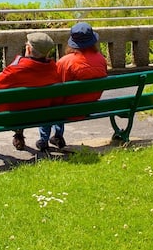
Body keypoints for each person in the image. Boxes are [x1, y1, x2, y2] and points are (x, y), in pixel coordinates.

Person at [0, 32, 61, 155]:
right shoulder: (53, 70)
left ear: (29, 49)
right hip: (36, 114)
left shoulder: (16, 70)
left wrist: (14, 65)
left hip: (12, 115)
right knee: (24, 99)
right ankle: (19, 136)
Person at [40, 22, 108, 152]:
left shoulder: (66, 62)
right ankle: (58, 136)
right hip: (91, 105)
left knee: (49, 103)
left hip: (68, 110)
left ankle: (44, 140)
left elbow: (56, 90)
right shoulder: (101, 59)